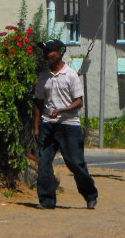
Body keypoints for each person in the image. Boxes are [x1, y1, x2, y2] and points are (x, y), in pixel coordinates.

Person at [33, 39, 98, 210]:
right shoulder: (43, 76)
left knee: (75, 163)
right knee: (44, 164)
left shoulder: (71, 75)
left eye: (50, 51)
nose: (46, 54)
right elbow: (39, 103)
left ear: (60, 53)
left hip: (69, 125)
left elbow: (79, 102)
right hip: (48, 125)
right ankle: (47, 201)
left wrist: (61, 110)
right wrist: (36, 127)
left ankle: (90, 195)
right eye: (45, 51)